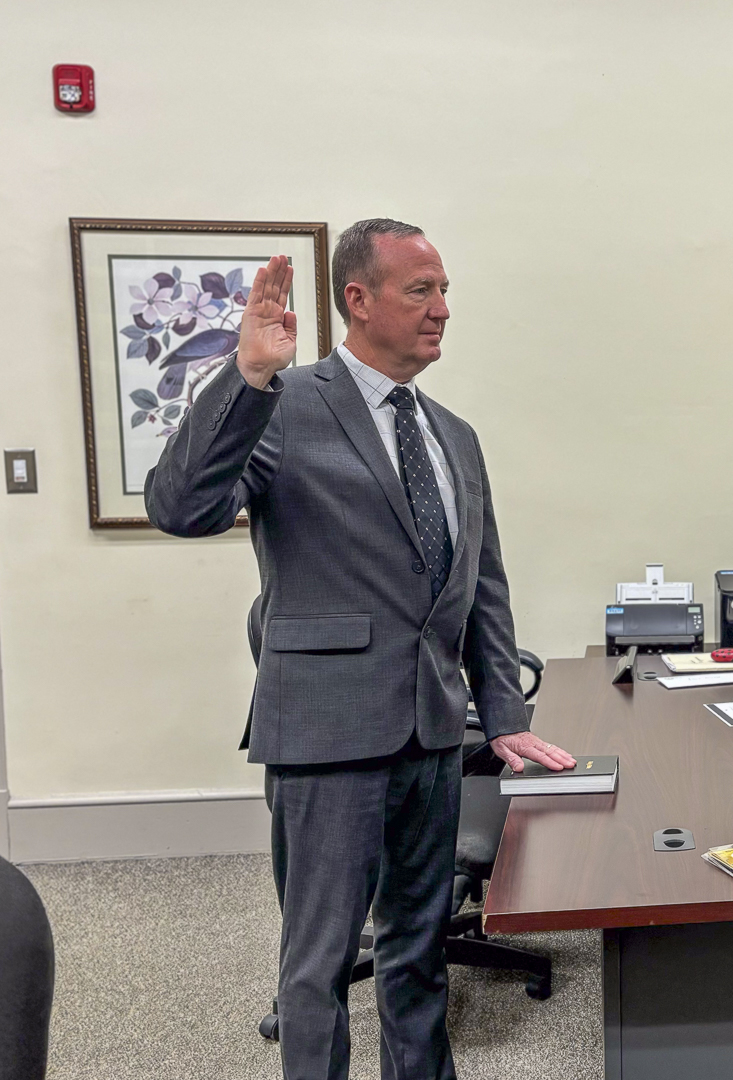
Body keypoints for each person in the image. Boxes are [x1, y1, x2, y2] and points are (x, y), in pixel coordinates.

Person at [146, 220, 575, 1080]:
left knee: (418, 955)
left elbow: (481, 585)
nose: (443, 310)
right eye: (421, 291)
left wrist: (503, 715)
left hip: (432, 736)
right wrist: (247, 374)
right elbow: (179, 507)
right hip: (326, 732)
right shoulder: (284, 402)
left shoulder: (454, 434)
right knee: (318, 968)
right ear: (358, 299)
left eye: (446, 291)